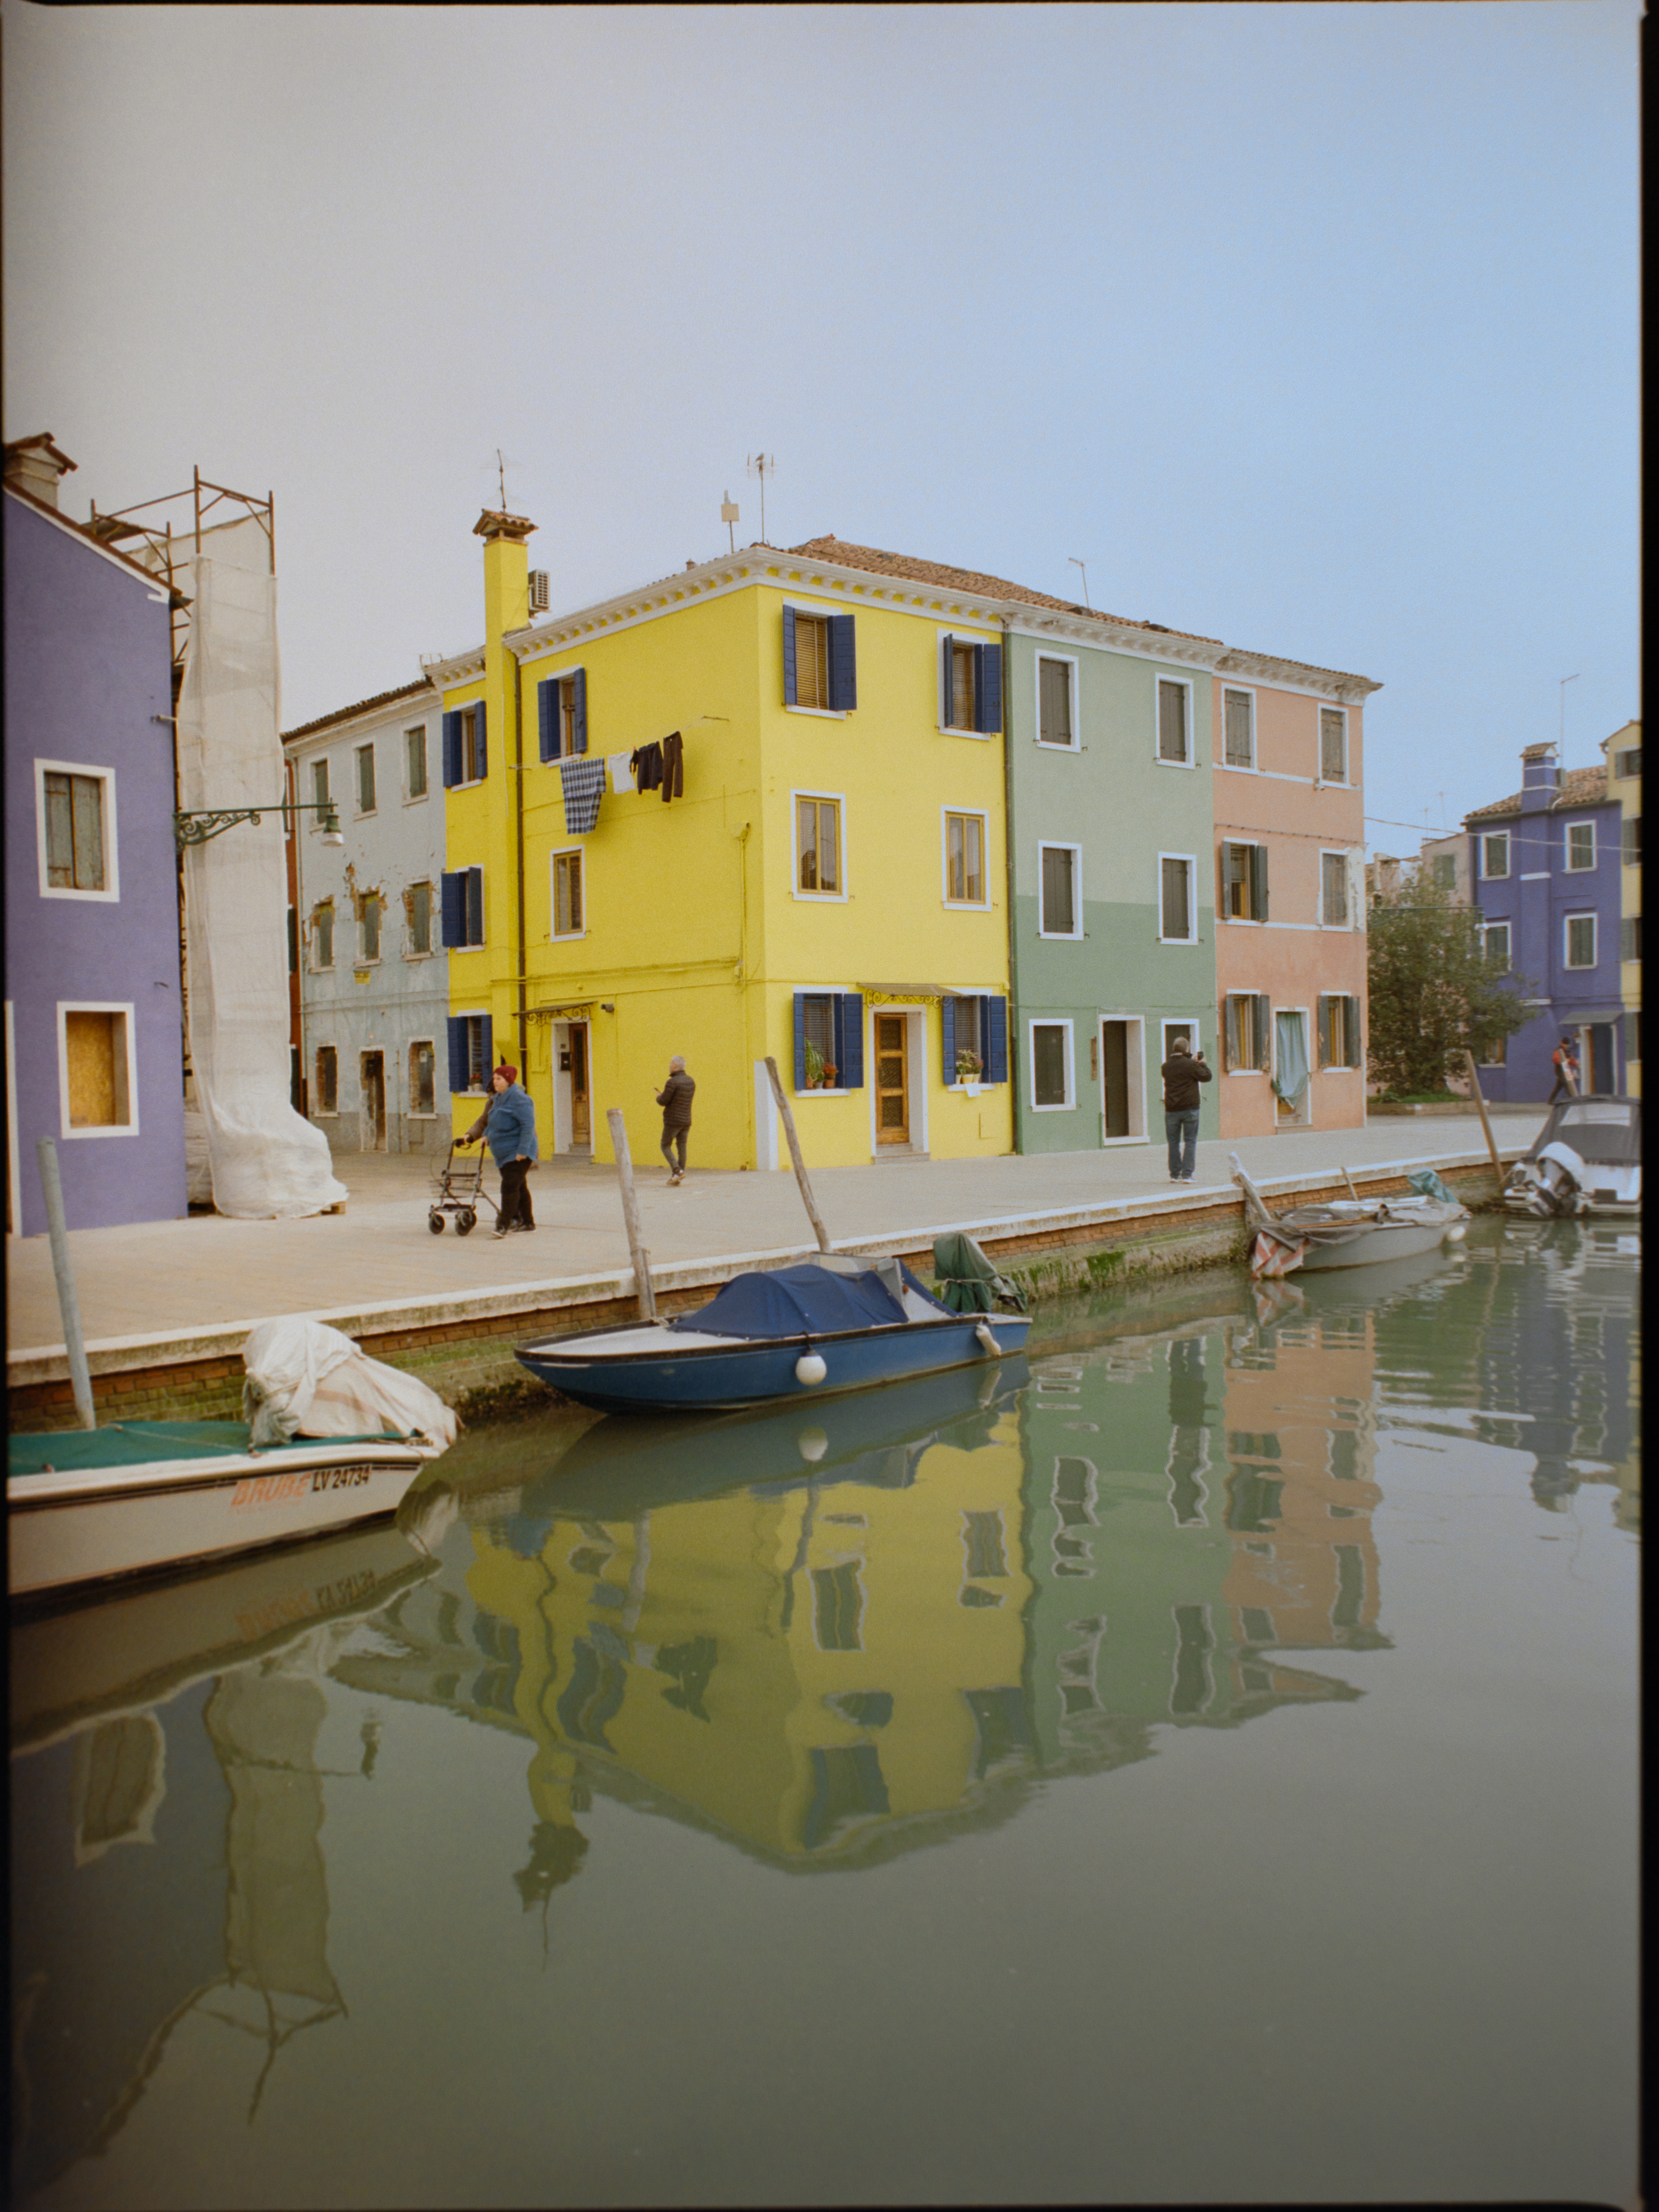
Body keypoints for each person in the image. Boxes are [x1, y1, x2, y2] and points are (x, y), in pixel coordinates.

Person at [460, 1064, 539, 1236]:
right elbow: (491, 1121)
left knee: (509, 1188)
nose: (494, 1081)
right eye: (494, 1078)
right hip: (503, 1153)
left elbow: (528, 1127)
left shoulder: (521, 1100)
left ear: (509, 1081)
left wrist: (522, 1151)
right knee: (520, 1187)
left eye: (499, 1078)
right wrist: (486, 1135)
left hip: (518, 1153)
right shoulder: (497, 1099)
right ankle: (528, 1222)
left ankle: (503, 1225)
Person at [1160, 1036, 1212, 1182]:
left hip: (1171, 1109)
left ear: (1174, 1049)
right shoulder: (1191, 1065)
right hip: (1190, 1108)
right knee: (1190, 1141)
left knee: (1173, 1142)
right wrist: (1201, 1064)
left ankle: (1175, 1175)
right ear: (1187, 1049)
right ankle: (1187, 1175)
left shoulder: (1166, 1066)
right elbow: (1207, 1077)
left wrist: (1193, 1063)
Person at [656, 1055, 695, 1185]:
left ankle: (677, 1171)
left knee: (665, 1145)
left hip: (673, 1120)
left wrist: (659, 1097)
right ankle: (679, 1175)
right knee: (682, 1146)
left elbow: (664, 1101)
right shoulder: (690, 1081)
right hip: (686, 1120)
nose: (669, 1065)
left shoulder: (672, 1082)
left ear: (675, 1066)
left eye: (671, 1063)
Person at [1548, 1034, 1580, 1103]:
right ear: (1562, 1043)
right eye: (1565, 1045)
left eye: (1567, 1045)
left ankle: (1550, 1100)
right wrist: (1566, 1061)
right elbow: (1556, 1060)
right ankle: (1571, 1099)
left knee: (1558, 1087)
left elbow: (1571, 1060)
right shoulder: (1558, 1050)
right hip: (1560, 1071)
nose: (1566, 1046)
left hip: (1565, 1071)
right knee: (1567, 1083)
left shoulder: (1567, 1051)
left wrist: (1577, 1065)